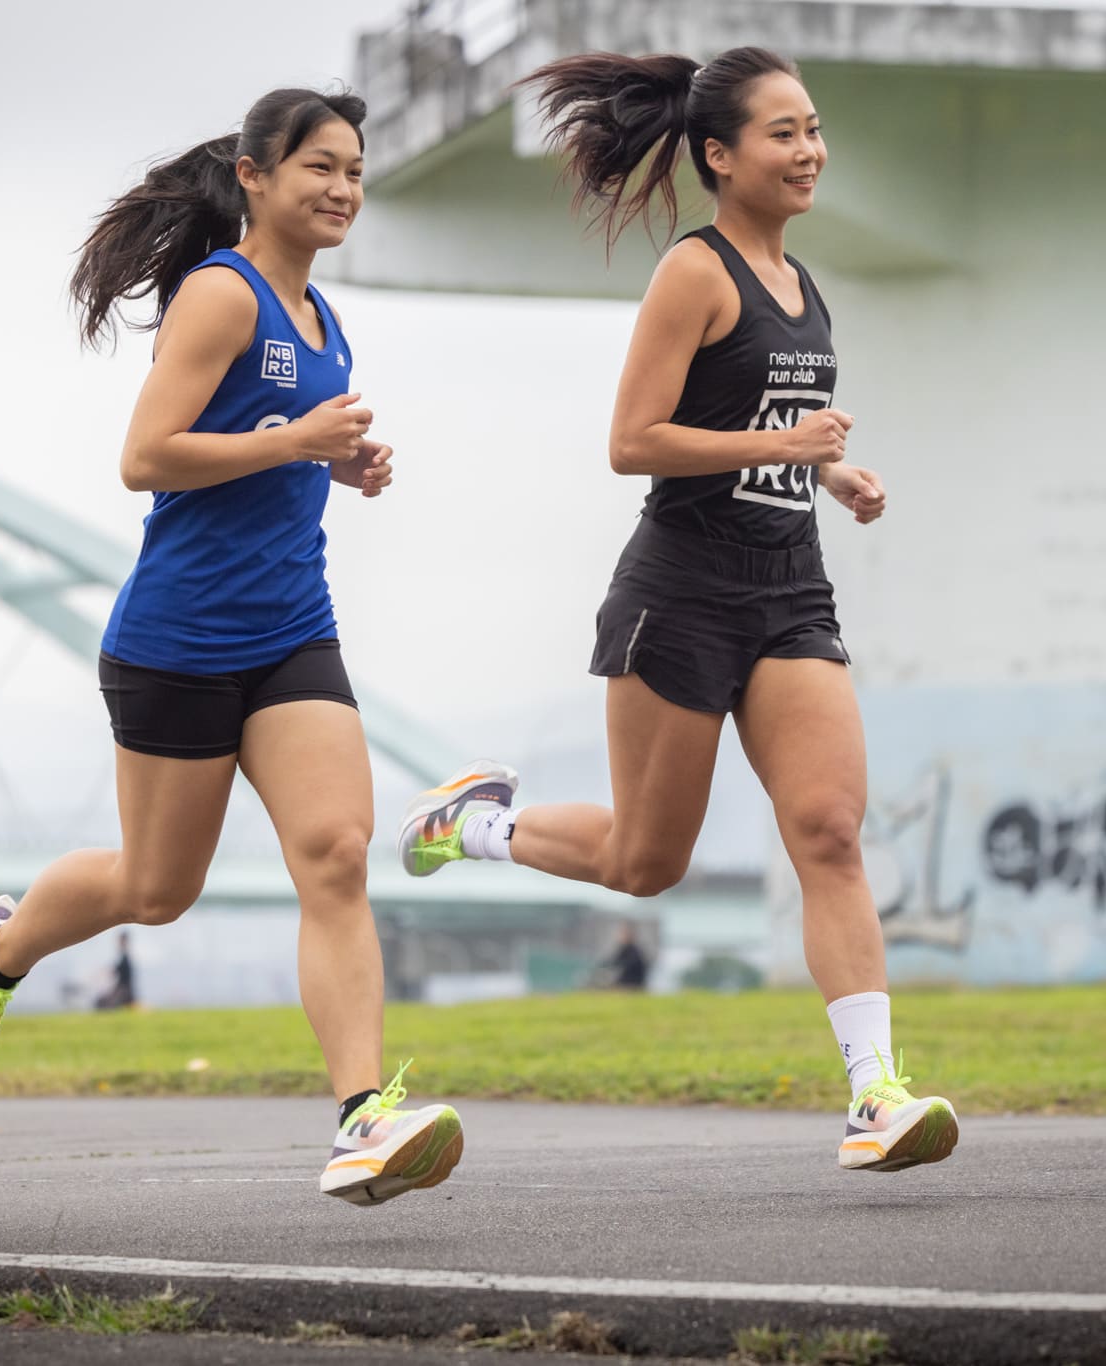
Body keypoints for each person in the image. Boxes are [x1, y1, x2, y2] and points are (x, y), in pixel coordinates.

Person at [398, 48, 958, 1172]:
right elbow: (632, 442)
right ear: (720, 155)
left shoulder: (805, 285)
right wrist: (784, 446)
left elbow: (776, 421)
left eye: (813, 129)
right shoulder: (692, 274)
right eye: (784, 134)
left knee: (831, 833)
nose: (810, 151)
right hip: (680, 594)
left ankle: (874, 1096)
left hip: (788, 591)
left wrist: (830, 473)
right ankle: (474, 825)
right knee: (647, 862)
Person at [0, 86, 464, 1207]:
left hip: (290, 629)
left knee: (335, 853)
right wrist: (297, 439)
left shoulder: (323, 318)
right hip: (178, 638)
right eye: (321, 166)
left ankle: (364, 1116)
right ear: (256, 175)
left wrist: (334, 463)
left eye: (356, 172)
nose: (344, 189)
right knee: (154, 888)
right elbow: (147, 456)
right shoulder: (221, 297)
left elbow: (274, 446)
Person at [599, 922, 650, 991]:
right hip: (625, 981)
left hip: (632, 984)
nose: (621, 936)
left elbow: (626, 965)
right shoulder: (623, 949)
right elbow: (613, 961)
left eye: (624, 934)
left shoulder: (634, 951)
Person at [95, 931, 137, 1010]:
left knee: (104, 1003)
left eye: (121, 941)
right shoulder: (124, 956)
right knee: (101, 1001)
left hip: (125, 990)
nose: (119, 943)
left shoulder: (126, 957)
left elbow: (119, 971)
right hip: (121, 988)